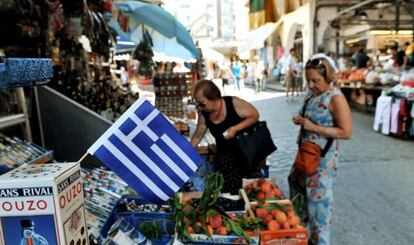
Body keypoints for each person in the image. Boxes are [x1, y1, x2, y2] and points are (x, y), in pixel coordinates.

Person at [290, 57, 352, 245]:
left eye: (315, 80)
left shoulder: (336, 98)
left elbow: (346, 132)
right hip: (304, 159)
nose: (311, 84)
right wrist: (301, 121)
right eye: (308, 80)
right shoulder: (313, 95)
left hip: (322, 165)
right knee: (298, 207)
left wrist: (313, 127)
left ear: (328, 77)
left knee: (319, 215)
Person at [190, 80, 262, 194]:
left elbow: (255, 115)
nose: (200, 107)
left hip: (246, 156)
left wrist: (236, 128)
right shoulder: (205, 114)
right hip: (225, 160)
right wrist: (187, 151)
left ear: (213, 96)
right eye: (197, 104)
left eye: (202, 103)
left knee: (250, 193)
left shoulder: (233, 103)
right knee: (228, 195)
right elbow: (198, 135)